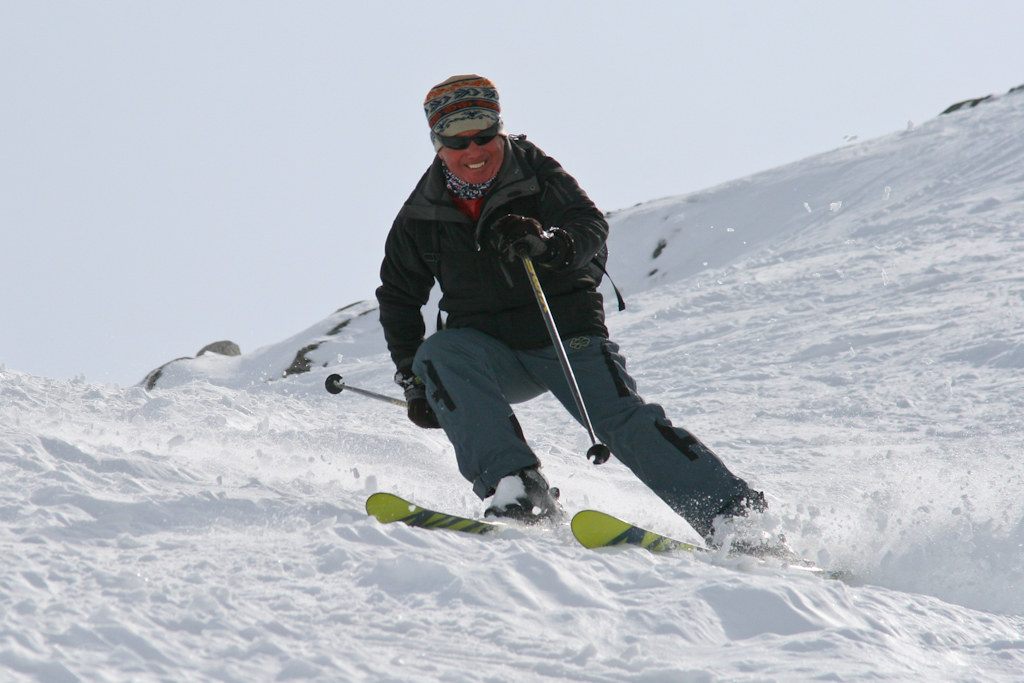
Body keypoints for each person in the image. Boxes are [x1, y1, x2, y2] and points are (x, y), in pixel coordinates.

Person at [375, 74, 779, 552]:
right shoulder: (421, 214)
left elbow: (589, 225)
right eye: (457, 140)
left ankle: (735, 519)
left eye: (485, 135)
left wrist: (549, 245)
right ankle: (518, 490)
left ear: (500, 129)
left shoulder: (536, 173)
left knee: (619, 421)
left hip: (566, 335)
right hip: (488, 350)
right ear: (437, 144)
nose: (474, 149)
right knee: (439, 354)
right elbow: (399, 297)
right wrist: (417, 383)